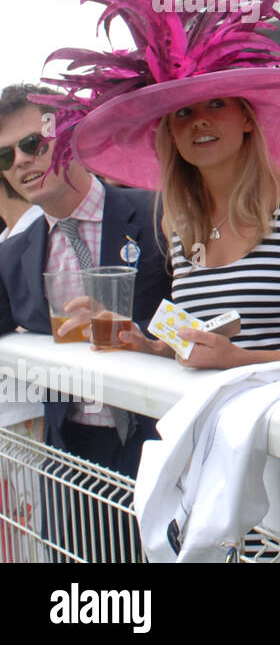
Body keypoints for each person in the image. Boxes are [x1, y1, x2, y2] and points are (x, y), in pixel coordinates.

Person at [38, 0, 280, 375]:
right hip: (204, 430)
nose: (200, 121)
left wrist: (242, 361)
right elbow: (197, 346)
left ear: (247, 119)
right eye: (183, 111)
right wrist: (145, 343)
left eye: (217, 104)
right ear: (170, 134)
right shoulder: (177, 218)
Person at [0, 83, 169, 477]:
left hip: (163, 444)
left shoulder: (160, 213)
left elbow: (203, 320)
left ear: (71, 134)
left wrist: (135, 334)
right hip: (69, 460)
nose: (21, 161)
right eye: (5, 155)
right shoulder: (12, 256)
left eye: (33, 143)